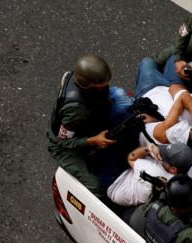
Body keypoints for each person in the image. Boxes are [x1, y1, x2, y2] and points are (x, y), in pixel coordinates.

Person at [47, 53, 134, 196]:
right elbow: (63, 141)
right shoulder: (76, 110)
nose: (106, 85)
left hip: (90, 116)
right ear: (89, 84)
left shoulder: (82, 80)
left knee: (120, 98)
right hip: (64, 146)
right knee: (96, 186)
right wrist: (94, 140)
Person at [107, 142, 192, 206]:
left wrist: (148, 148)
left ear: (173, 169)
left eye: (165, 158)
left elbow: (131, 157)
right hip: (135, 180)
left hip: (115, 184)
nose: (162, 155)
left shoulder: (153, 171)